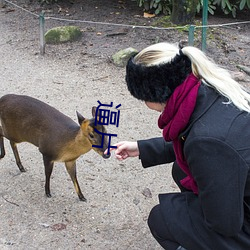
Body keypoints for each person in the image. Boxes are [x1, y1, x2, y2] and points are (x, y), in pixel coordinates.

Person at [109, 42, 250, 249]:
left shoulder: (207, 142)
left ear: (156, 93)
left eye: (144, 99)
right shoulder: (207, 88)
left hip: (240, 222)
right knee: (181, 170)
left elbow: (225, 224)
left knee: (162, 218)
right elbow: (189, 137)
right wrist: (141, 148)